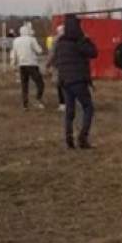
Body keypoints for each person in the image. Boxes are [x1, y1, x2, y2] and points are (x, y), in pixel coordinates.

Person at [47, 13, 98, 149]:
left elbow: (55, 59)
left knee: (70, 110)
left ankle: (68, 138)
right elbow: (94, 52)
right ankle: (83, 137)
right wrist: (87, 39)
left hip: (64, 80)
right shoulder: (79, 41)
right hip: (78, 80)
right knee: (88, 107)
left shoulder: (60, 42)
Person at [12, 23, 46, 109]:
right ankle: (38, 99)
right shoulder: (32, 39)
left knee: (24, 85)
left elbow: (14, 53)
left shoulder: (16, 41)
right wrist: (40, 47)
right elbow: (39, 51)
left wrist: (13, 63)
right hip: (32, 64)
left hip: (22, 65)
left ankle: (25, 104)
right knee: (40, 83)